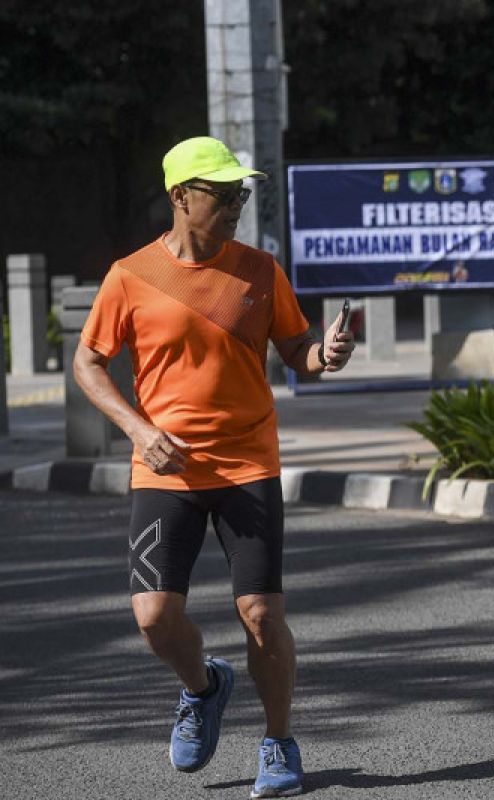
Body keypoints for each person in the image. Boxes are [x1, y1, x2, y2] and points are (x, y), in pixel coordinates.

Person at [74, 136, 355, 798]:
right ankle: (203, 687)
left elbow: (298, 352)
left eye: (241, 196)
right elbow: (88, 363)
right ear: (181, 197)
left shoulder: (261, 270)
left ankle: (279, 741)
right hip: (164, 470)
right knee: (153, 618)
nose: (236, 207)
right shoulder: (130, 275)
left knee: (260, 612)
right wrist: (138, 429)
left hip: (248, 464)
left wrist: (327, 355)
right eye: (223, 196)